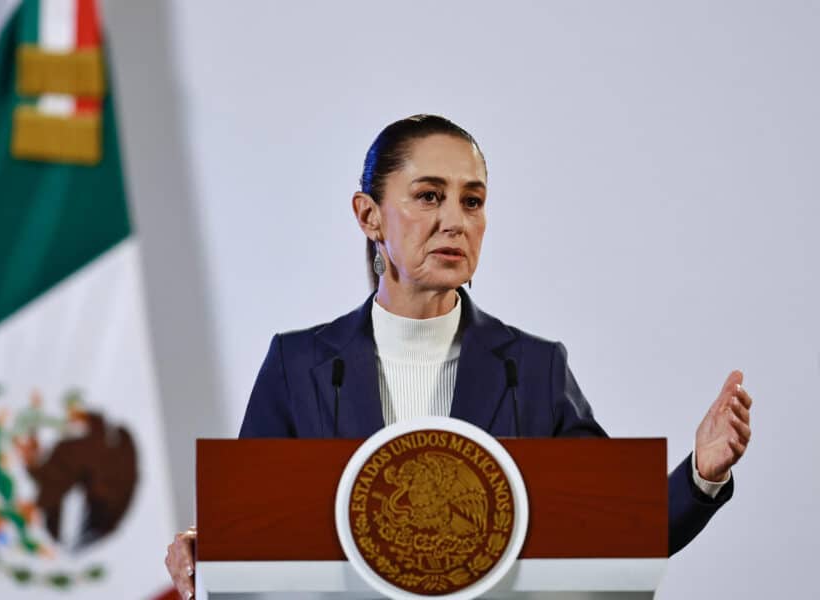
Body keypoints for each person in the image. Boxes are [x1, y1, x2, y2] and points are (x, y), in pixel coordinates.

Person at [164, 115, 753, 599]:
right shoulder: (298, 366)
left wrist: (703, 472)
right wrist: (207, 548)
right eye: (428, 197)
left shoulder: (534, 369)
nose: (455, 221)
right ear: (369, 216)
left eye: (473, 202)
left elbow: (614, 535)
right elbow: (253, 538)